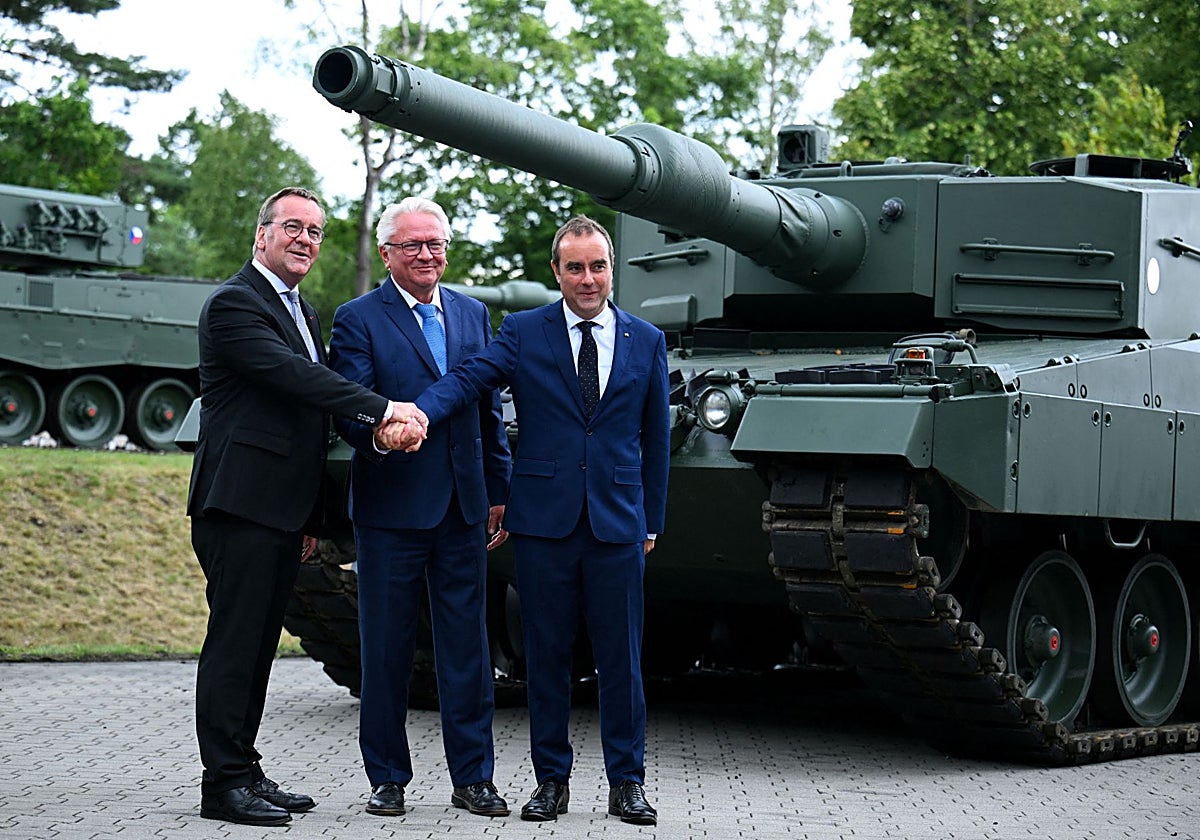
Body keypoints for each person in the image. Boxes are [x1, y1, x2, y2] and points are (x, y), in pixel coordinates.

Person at [401, 214, 670, 826]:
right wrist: (417, 411)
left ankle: (627, 783)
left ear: (610, 268)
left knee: (622, 661)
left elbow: (655, 441)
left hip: (618, 525)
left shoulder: (646, 340)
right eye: (573, 267)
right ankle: (552, 781)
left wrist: (651, 520)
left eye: (597, 265)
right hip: (545, 525)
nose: (586, 278)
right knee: (546, 660)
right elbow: (471, 380)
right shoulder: (525, 331)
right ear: (556, 271)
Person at [186, 187, 423, 827]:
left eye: (316, 232)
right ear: (261, 233)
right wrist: (381, 408)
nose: (306, 240)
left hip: (280, 511)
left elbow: (306, 427)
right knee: (235, 644)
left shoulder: (301, 310)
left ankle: (243, 769)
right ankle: (223, 784)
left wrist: (314, 520)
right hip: (238, 506)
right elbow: (296, 379)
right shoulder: (236, 304)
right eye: (293, 227)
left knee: (260, 644)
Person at [327, 198, 512, 819]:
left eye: (436, 245)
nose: (428, 255)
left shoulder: (472, 313)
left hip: (463, 508)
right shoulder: (357, 319)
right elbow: (349, 407)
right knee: (387, 651)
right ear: (387, 254)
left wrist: (498, 490)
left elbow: (486, 409)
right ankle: (387, 778)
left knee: (468, 649)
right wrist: (380, 433)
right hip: (390, 510)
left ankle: (474, 779)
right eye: (414, 246)